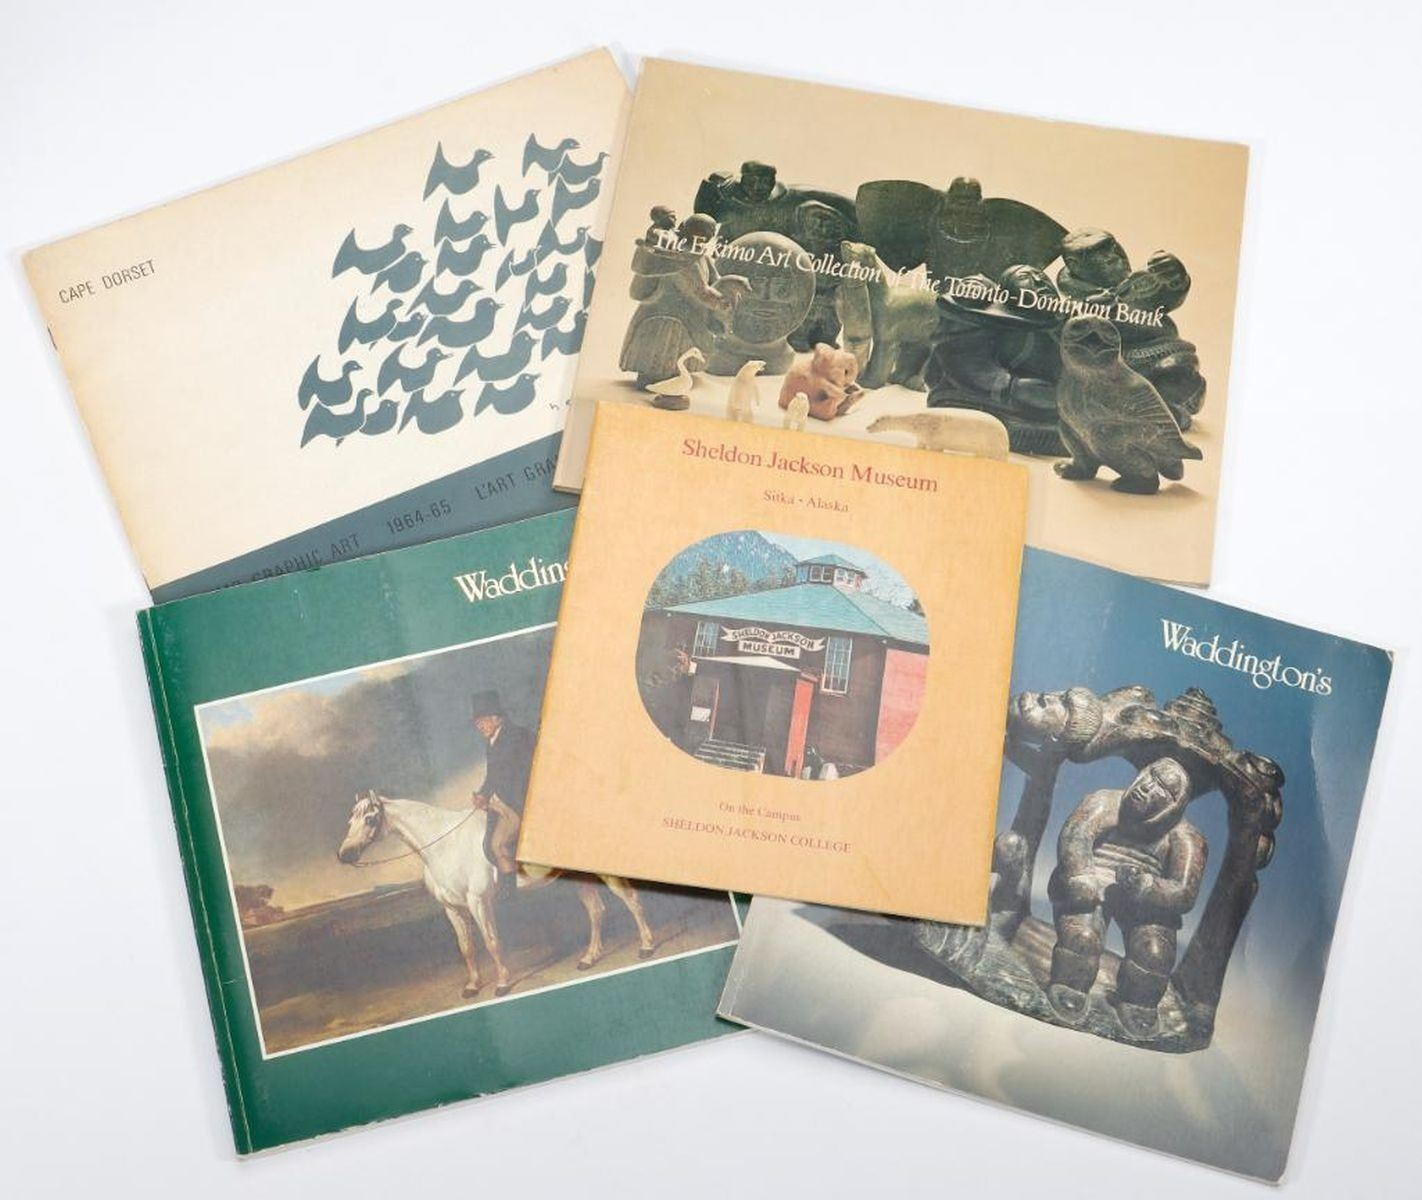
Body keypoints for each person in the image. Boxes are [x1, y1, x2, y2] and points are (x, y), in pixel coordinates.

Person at [469, 691, 537, 886]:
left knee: (497, 844)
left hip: (522, 803)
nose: (479, 726)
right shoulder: (491, 742)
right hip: (504, 803)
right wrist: (483, 795)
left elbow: (526, 774)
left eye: (482, 721)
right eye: (476, 723)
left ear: (496, 718)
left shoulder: (519, 736)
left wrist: (498, 801)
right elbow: (493, 776)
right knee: (487, 842)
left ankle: (510, 892)